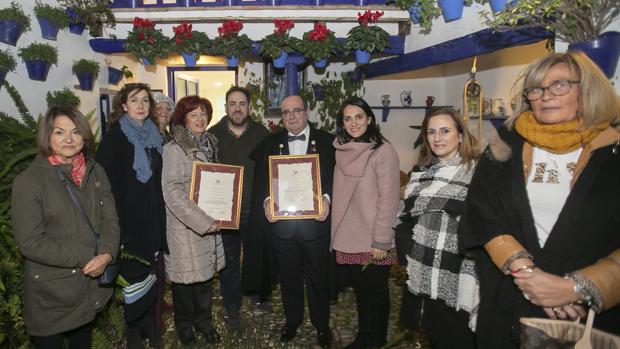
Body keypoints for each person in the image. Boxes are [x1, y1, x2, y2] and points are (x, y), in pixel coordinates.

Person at [462, 51, 620, 349]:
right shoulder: (506, 144)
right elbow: (482, 211)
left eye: (559, 85)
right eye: (536, 89)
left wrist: (576, 287)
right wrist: (528, 275)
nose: (545, 96)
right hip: (512, 297)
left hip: (587, 316)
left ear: (586, 90)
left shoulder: (612, 150)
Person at [11, 106, 120, 349]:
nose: (69, 139)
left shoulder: (95, 170)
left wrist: (107, 252)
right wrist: (90, 256)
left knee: (82, 341)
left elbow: (110, 218)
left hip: (90, 288)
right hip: (52, 294)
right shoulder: (29, 182)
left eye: (76, 132)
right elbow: (31, 243)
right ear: (47, 136)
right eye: (60, 132)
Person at [250, 95, 335, 348]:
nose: (291, 116)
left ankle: (321, 325)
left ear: (307, 111)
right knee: (288, 278)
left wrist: (327, 199)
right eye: (286, 113)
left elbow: (334, 179)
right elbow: (262, 183)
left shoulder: (328, 141)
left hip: (315, 227)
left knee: (318, 279)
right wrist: (267, 201)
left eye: (297, 110)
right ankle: (293, 321)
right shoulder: (271, 143)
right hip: (283, 228)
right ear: (281, 117)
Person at [395, 107, 480, 349]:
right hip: (425, 270)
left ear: (461, 135)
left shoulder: (477, 172)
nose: (437, 138)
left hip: (460, 272)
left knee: (459, 339)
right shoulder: (421, 173)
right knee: (434, 335)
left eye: (445, 131)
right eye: (431, 132)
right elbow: (404, 216)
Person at [96, 83, 167, 349]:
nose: (140, 105)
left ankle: (150, 322)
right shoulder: (114, 139)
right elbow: (105, 187)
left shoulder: (155, 136)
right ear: (123, 105)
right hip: (128, 223)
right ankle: (134, 330)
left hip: (153, 219)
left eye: (145, 100)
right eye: (134, 100)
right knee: (133, 278)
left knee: (151, 274)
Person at [330, 97, 400, 349]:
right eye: (347, 118)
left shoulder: (383, 151)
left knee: (376, 295)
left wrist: (381, 239)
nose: (353, 123)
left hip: (373, 240)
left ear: (369, 119)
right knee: (362, 296)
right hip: (349, 237)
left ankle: (374, 340)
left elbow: (389, 199)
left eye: (359, 116)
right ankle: (366, 338)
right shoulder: (341, 149)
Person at [162, 95, 225, 346]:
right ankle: (185, 329)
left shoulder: (211, 144)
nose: (200, 119)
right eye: (194, 114)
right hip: (186, 227)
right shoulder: (174, 149)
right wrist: (202, 221)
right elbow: (172, 192)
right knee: (185, 284)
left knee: (205, 281)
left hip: (209, 223)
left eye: (204, 113)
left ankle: (204, 323)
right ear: (183, 119)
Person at [207, 86, 270, 328]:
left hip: (255, 211)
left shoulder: (262, 134)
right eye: (232, 103)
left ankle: (258, 295)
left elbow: (270, 170)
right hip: (225, 215)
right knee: (229, 263)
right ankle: (232, 307)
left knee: (258, 258)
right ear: (226, 107)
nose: (237, 108)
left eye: (242, 103)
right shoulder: (212, 135)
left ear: (249, 107)